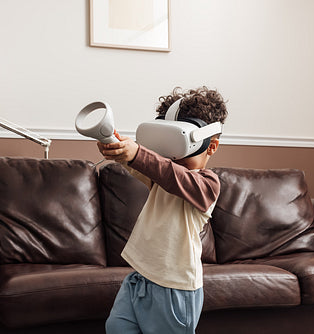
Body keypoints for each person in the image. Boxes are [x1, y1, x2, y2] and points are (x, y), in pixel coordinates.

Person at [98, 86, 228, 334]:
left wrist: (138, 153)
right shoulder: (162, 178)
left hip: (175, 287)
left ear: (210, 146)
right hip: (140, 278)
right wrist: (118, 148)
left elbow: (170, 175)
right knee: (115, 328)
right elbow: (148, 168)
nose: (172, 157)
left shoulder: (206, 184)